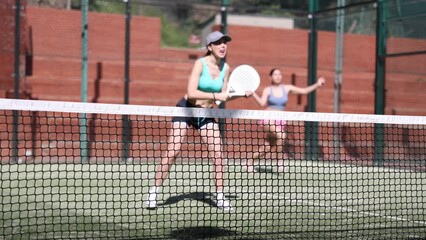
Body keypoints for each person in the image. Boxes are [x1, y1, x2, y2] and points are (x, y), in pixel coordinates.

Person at [146, 31, 251, 211]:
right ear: (210, 47)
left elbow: (220, 98)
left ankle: (220, 197)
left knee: (218, 154)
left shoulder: (226, 68)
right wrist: (216, 95)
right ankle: (153, 193)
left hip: (206, 113)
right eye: (218, 43)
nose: (223, 45)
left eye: (225, 42)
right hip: (186, 108)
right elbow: (192, 92)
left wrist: (240, 95)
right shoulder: (199, 64)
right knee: (173, 152)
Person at [244, 68, 325, 173]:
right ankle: (280, 162)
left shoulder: (287, 88)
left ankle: (248, 162)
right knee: (281, 135)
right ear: (271, 77)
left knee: (267, 147)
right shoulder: (268, 90)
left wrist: (317, 84)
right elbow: (261, 103)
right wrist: (253, 93)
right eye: (275, 74)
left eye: (279, 74)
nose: (278, 76)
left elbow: (304, 91)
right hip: (268, 119)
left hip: (281, 120)